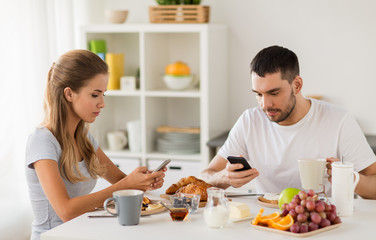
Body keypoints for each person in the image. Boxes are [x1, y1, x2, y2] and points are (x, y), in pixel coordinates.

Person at [201, 45, 376, 199]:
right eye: (259, 94)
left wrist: (348, 178)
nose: (265, 104)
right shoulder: (249, 121)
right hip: (267, 222)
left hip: (321, 223)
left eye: (274, 93)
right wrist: (224, 177)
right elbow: (205, 176)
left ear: (297, 85)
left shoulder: (339, 120)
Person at [25, 49, 166, 240]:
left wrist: (143, 182)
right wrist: (126, 184)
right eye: (95, 95)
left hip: (84, 233)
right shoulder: (42, 141)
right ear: (69, 94)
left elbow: (119, 181)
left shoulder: (83, 137)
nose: (102, 104)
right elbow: (66, 211)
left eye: (103, 95)